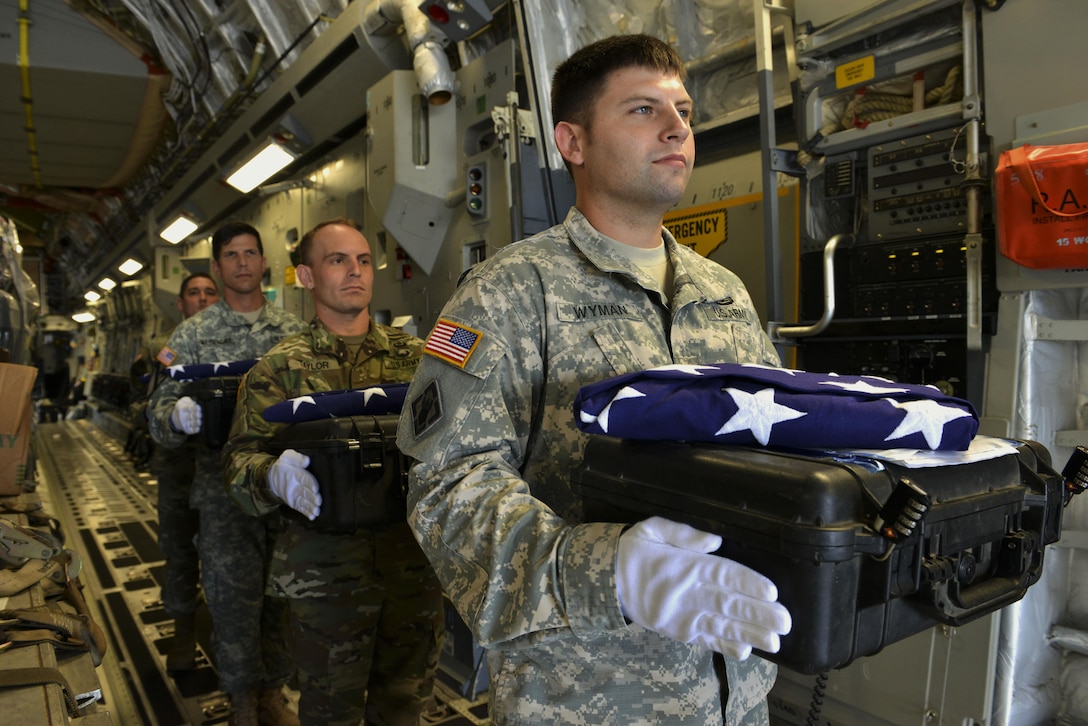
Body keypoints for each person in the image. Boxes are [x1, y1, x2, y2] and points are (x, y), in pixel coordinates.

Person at [395, 33, 793, 725]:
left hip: (738, 691)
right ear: (571, 142)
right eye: (643, 110)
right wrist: (608, 571)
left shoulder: (723, 290)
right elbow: (447, 488)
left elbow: (780, 441)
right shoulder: (509, 293)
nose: (677, 128)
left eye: (685, 111)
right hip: (589, 699)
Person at [222, 218, 445, 726]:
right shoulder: (277, 370)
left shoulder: (417, 360)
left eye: (364, 260)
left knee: (404, 709)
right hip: (324, 581)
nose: (355, 272)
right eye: (337, 260)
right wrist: (271, 477)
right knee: (328, 714)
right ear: (305, 276)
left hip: (411, 570)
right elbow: (238, 462)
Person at [147, 221, 306, 726]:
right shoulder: (191, 334)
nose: (242, 263)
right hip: (221, 494)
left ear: (263, 263)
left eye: (250, 254)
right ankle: (240, 696)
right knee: (231, 598)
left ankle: (273, 691)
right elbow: (159, 404)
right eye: (231, 255)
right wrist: (174, 416)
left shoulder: (291, 333)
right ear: (217, 267)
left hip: (282, 491)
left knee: (281, 595)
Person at [147, 272, 219, 672]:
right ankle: (183, 631)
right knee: (179, 551)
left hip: (218, 465)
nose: (203, 299)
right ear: (180, 303)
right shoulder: (167, 349)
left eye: (210, 292)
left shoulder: (227, 339)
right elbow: (152, 402)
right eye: (194, 293)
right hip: (178, 467)